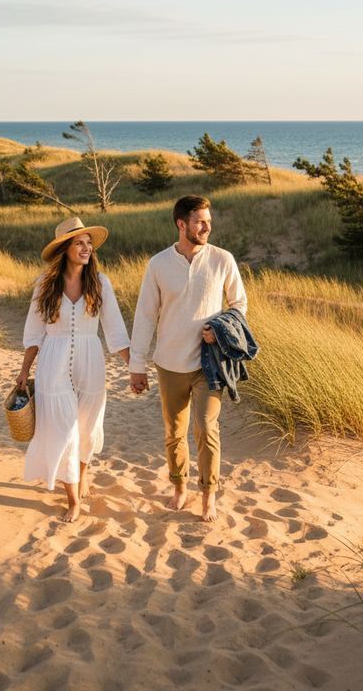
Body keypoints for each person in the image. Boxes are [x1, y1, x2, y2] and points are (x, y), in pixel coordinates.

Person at [129, 195, 247, 522]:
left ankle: (208, 494)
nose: (207, 226)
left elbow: (239, 305)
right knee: (174, 432)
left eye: (208, 220)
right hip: (169, 363)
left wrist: (220, 328)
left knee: (207, 427)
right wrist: (136, 366)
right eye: (200, 221)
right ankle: (179, 486)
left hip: (210, 363)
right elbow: (145, 317)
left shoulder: (223, 260)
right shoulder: (158, 264)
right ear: (182, 224)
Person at [17, 217, 131, 522]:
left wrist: (135, 367)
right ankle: (73, 500)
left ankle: (80, 478)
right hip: (52, 363)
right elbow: (33, 333)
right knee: (65, 430)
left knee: (86, 429)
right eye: (79, 243)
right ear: (65, 249)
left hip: (91, 361)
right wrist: (23, 371)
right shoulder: (44, 284)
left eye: (88, 243)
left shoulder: (101, 282)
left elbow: (116, 331)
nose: (86, 248)